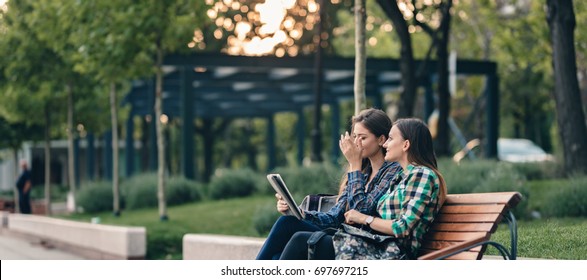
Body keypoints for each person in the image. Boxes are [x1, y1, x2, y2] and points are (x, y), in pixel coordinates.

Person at [256, 108, 402, 260]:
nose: (356, 143)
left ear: (381, 140)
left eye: (363, 138)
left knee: (297, 242)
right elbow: (333, 218)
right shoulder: (363, 173)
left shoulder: (392, 171)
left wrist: (355, 166)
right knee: (286, 224)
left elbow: (361, 211)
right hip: (344, 235)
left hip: (364, 243)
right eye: (355, 137)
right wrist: (299, 212)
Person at [340, 118, 447, 259]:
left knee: (306, 241)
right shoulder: (402, 177)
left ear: (405, 145)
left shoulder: (422, 174)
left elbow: (402, 227)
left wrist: (364, 218)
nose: (385, 144)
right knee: (306, 239)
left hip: (393, 252)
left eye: (390, 139)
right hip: (376, 245)